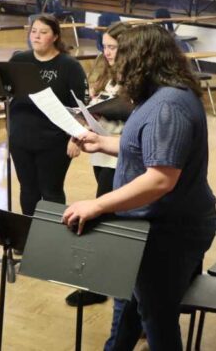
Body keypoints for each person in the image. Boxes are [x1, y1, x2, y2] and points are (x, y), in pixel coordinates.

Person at [63, 24, 216, 351]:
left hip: (169, 229)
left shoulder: (168, 106)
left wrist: (98, 205)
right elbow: (147, 146)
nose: (115, 64)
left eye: (122, 56)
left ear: (144, 59)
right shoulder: (162, 95)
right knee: (132, 307)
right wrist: (103, 142)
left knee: (156, 320)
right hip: (153, 223)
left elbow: (160, 178)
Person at [66, 22, 132, 309]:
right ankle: (105, 283)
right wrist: (78, 129)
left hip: (125, 156)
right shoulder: (105, 73)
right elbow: (93, 109)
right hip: (101, 155)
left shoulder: (138, 77)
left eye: (113, 47)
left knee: (110, 220)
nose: (107, 52)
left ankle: (105, 285)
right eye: (104, 46)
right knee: (106, 216)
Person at [9, 14, 88, 216]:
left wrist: (76, 137)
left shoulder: (70, 66)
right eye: (33, 31)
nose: (36, 36)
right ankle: (27, 238)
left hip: (55, 140)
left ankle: (51, 241)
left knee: (51, 191)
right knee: (28, 190)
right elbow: (7, 91)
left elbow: (80, 108)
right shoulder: (19, 60)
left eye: (43, 32)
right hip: (21, 137)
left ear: (55, 36)